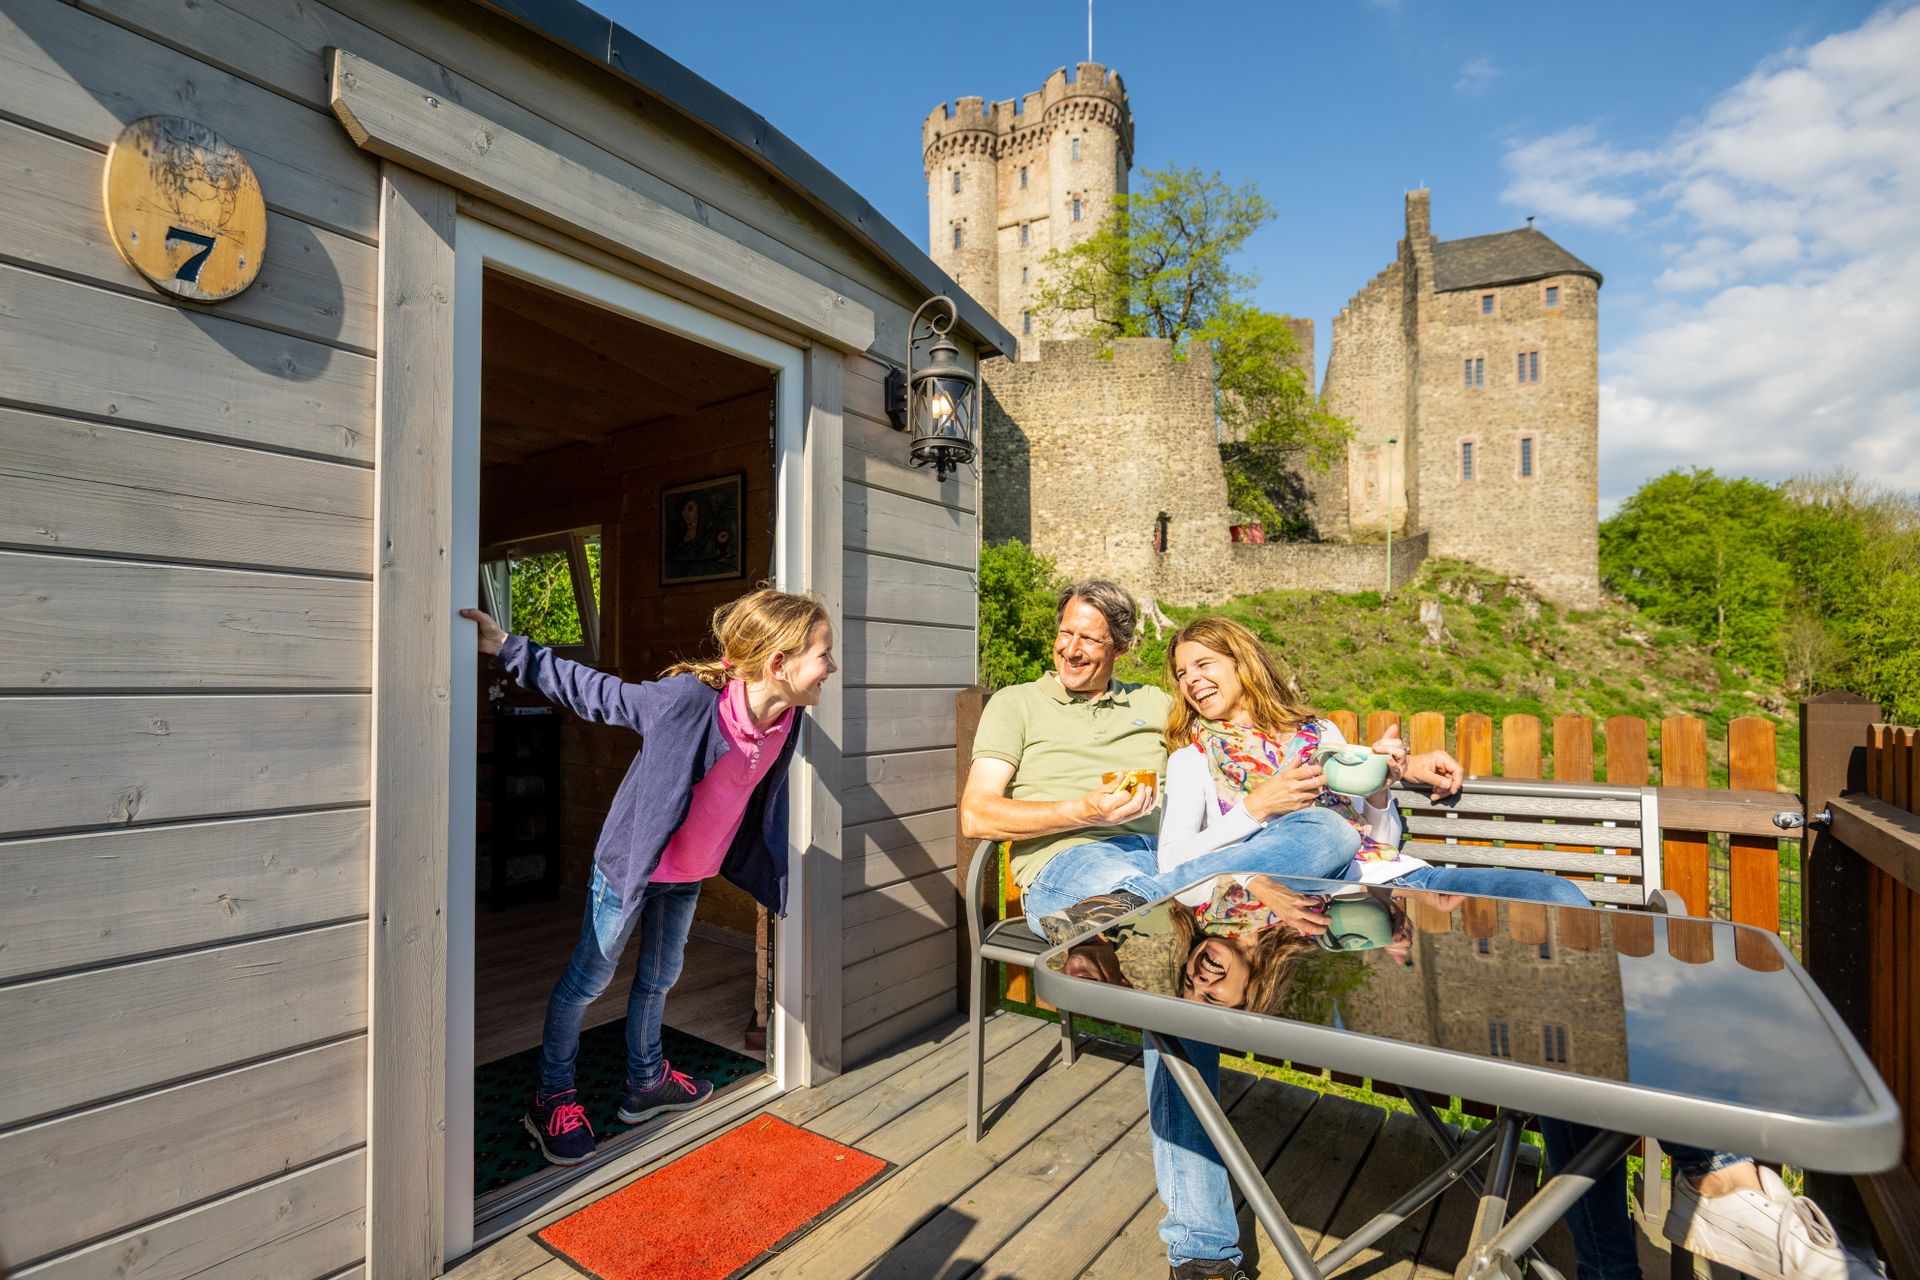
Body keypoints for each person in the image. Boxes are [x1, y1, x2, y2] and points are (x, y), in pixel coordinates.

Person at [1143, 614, 1856, 1280]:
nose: (1192, 680)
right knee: (1566, 1033)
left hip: (1405, 883)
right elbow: (1177, 872)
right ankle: (1705, 1188)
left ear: (1244, 661)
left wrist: (1384, 780)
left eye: (1205, 662)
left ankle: (1705, 1181)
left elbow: (1380, 840)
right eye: (1182, 673)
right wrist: (1254, 808)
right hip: (1313, 924)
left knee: (1558, 909)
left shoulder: (1319, 731)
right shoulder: (1193, 761)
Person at [959, 581, 1461, 1280]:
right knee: (1172, 982)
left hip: (1185, 877)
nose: (1073, 648)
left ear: (1122, 649)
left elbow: (1275, 724)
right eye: (1066, 633)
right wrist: (1086, 809)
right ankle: (1203, 1246)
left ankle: (1199, 1250)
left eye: (1092, 639)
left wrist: (1404, 765)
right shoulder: (1016, 704)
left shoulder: (1159, 706)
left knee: (1281, 875)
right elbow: (977, 816)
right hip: (1075, 871)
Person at [461, 587, 835, 1165]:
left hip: (687, 871)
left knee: (662, 976)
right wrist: (510, 648)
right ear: (778, 663)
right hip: (632, 867)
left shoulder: (788, 719)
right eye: (823, 655)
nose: (830, 668)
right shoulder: (686, 702)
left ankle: (646, 1081)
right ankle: (551, 1097)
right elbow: (597, 694)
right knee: (591, 976)